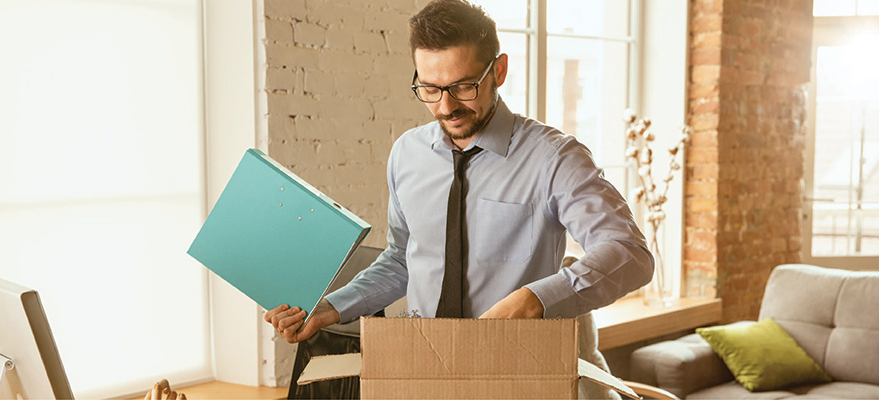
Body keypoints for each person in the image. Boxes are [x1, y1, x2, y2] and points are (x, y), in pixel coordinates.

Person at [266, 0, 653, 343]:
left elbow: (630, 254)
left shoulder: (554, 158)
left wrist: (536, 300)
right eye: (430, 89)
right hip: (423, 364)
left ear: (498, 71)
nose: (446, 106)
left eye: (464, 86)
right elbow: (404, 259)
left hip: (517, 368)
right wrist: (331, 307)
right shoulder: (407, 154)